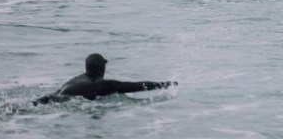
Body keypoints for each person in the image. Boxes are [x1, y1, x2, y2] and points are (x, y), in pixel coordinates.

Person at [33, 53, 176, 105]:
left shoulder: (73, 80)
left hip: (52, 99)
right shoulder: (100, 84)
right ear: (102, 67)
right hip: (71, 103)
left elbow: (54, 96)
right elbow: (135, 86)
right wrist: (164, 84)